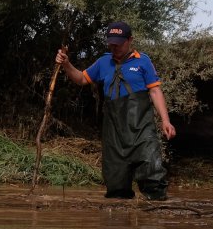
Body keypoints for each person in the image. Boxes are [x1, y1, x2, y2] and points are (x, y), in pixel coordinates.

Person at [55, 22, 176, 201]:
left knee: (152, 174)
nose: (115, 46)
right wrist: (66, 64)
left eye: (119, 43)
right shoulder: (103, 62)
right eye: (111, 43)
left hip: (141, 129)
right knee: (116, 183)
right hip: (114, 131)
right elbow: (81, 78)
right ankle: (118, 223)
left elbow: (155, 91)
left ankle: (156, 215)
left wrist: (165, 120)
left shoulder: (143, 61)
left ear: (130, 40)